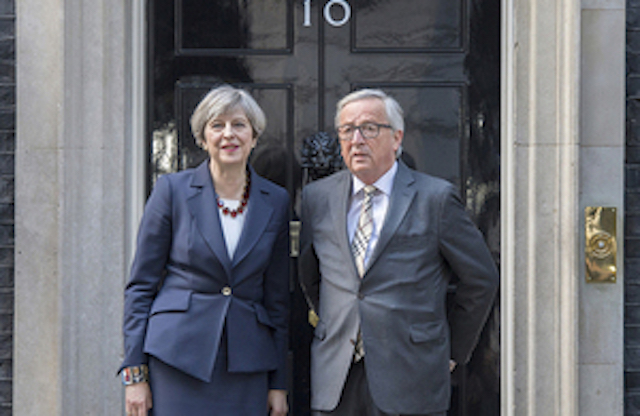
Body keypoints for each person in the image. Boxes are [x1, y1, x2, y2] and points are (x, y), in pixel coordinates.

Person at [299, 89, 499, 416]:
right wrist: (336, 322)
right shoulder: (316, 198)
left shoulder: (435, 198)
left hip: (412, 375)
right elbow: (310, 277)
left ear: (397, 137)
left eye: (369, 128)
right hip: (337, 377)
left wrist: (453, 351)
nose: (357, 139)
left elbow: (481, 278)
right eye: (347, 130)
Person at [120, 85, 290, 416]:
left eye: (239, 124)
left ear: (254, 136)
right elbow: (141, 286)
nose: (229, 134)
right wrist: (134, 374)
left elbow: (278, 300)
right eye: (217, 125)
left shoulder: (277, 201)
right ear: (202, 138)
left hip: (247, 364)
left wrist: (278, 382)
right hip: (176, 360)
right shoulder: (172, 191)